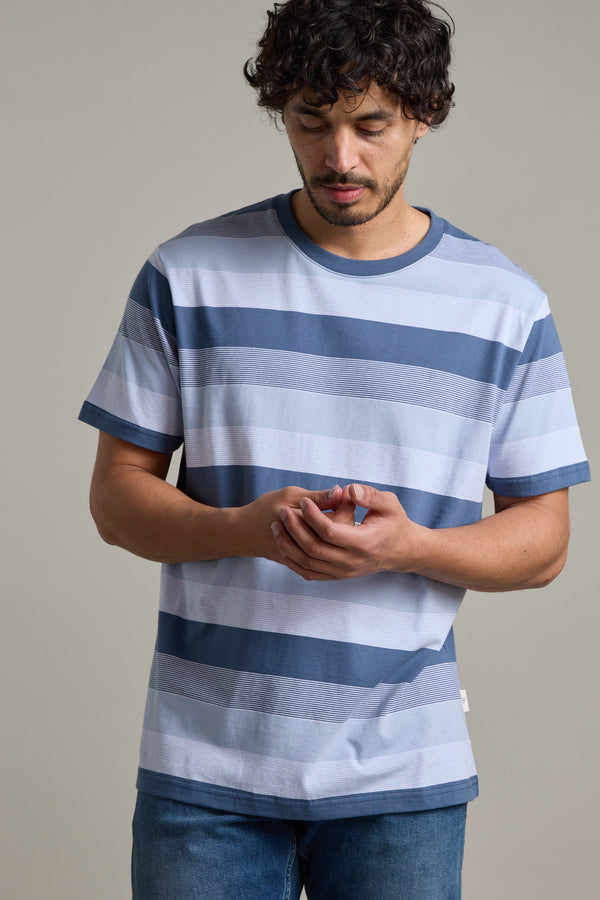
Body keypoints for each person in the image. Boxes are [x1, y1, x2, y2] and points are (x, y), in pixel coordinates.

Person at [79, 1, 590, 897]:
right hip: (206, 775)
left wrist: (411, 548)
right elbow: (116, 497)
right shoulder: (187, 274)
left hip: (403, 780)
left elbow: (545, 539)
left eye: (370, 125)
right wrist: (242, 527)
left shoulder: (505, 304)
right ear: (283, 113)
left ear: (422, 115)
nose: (339, 158)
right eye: (311, 124)